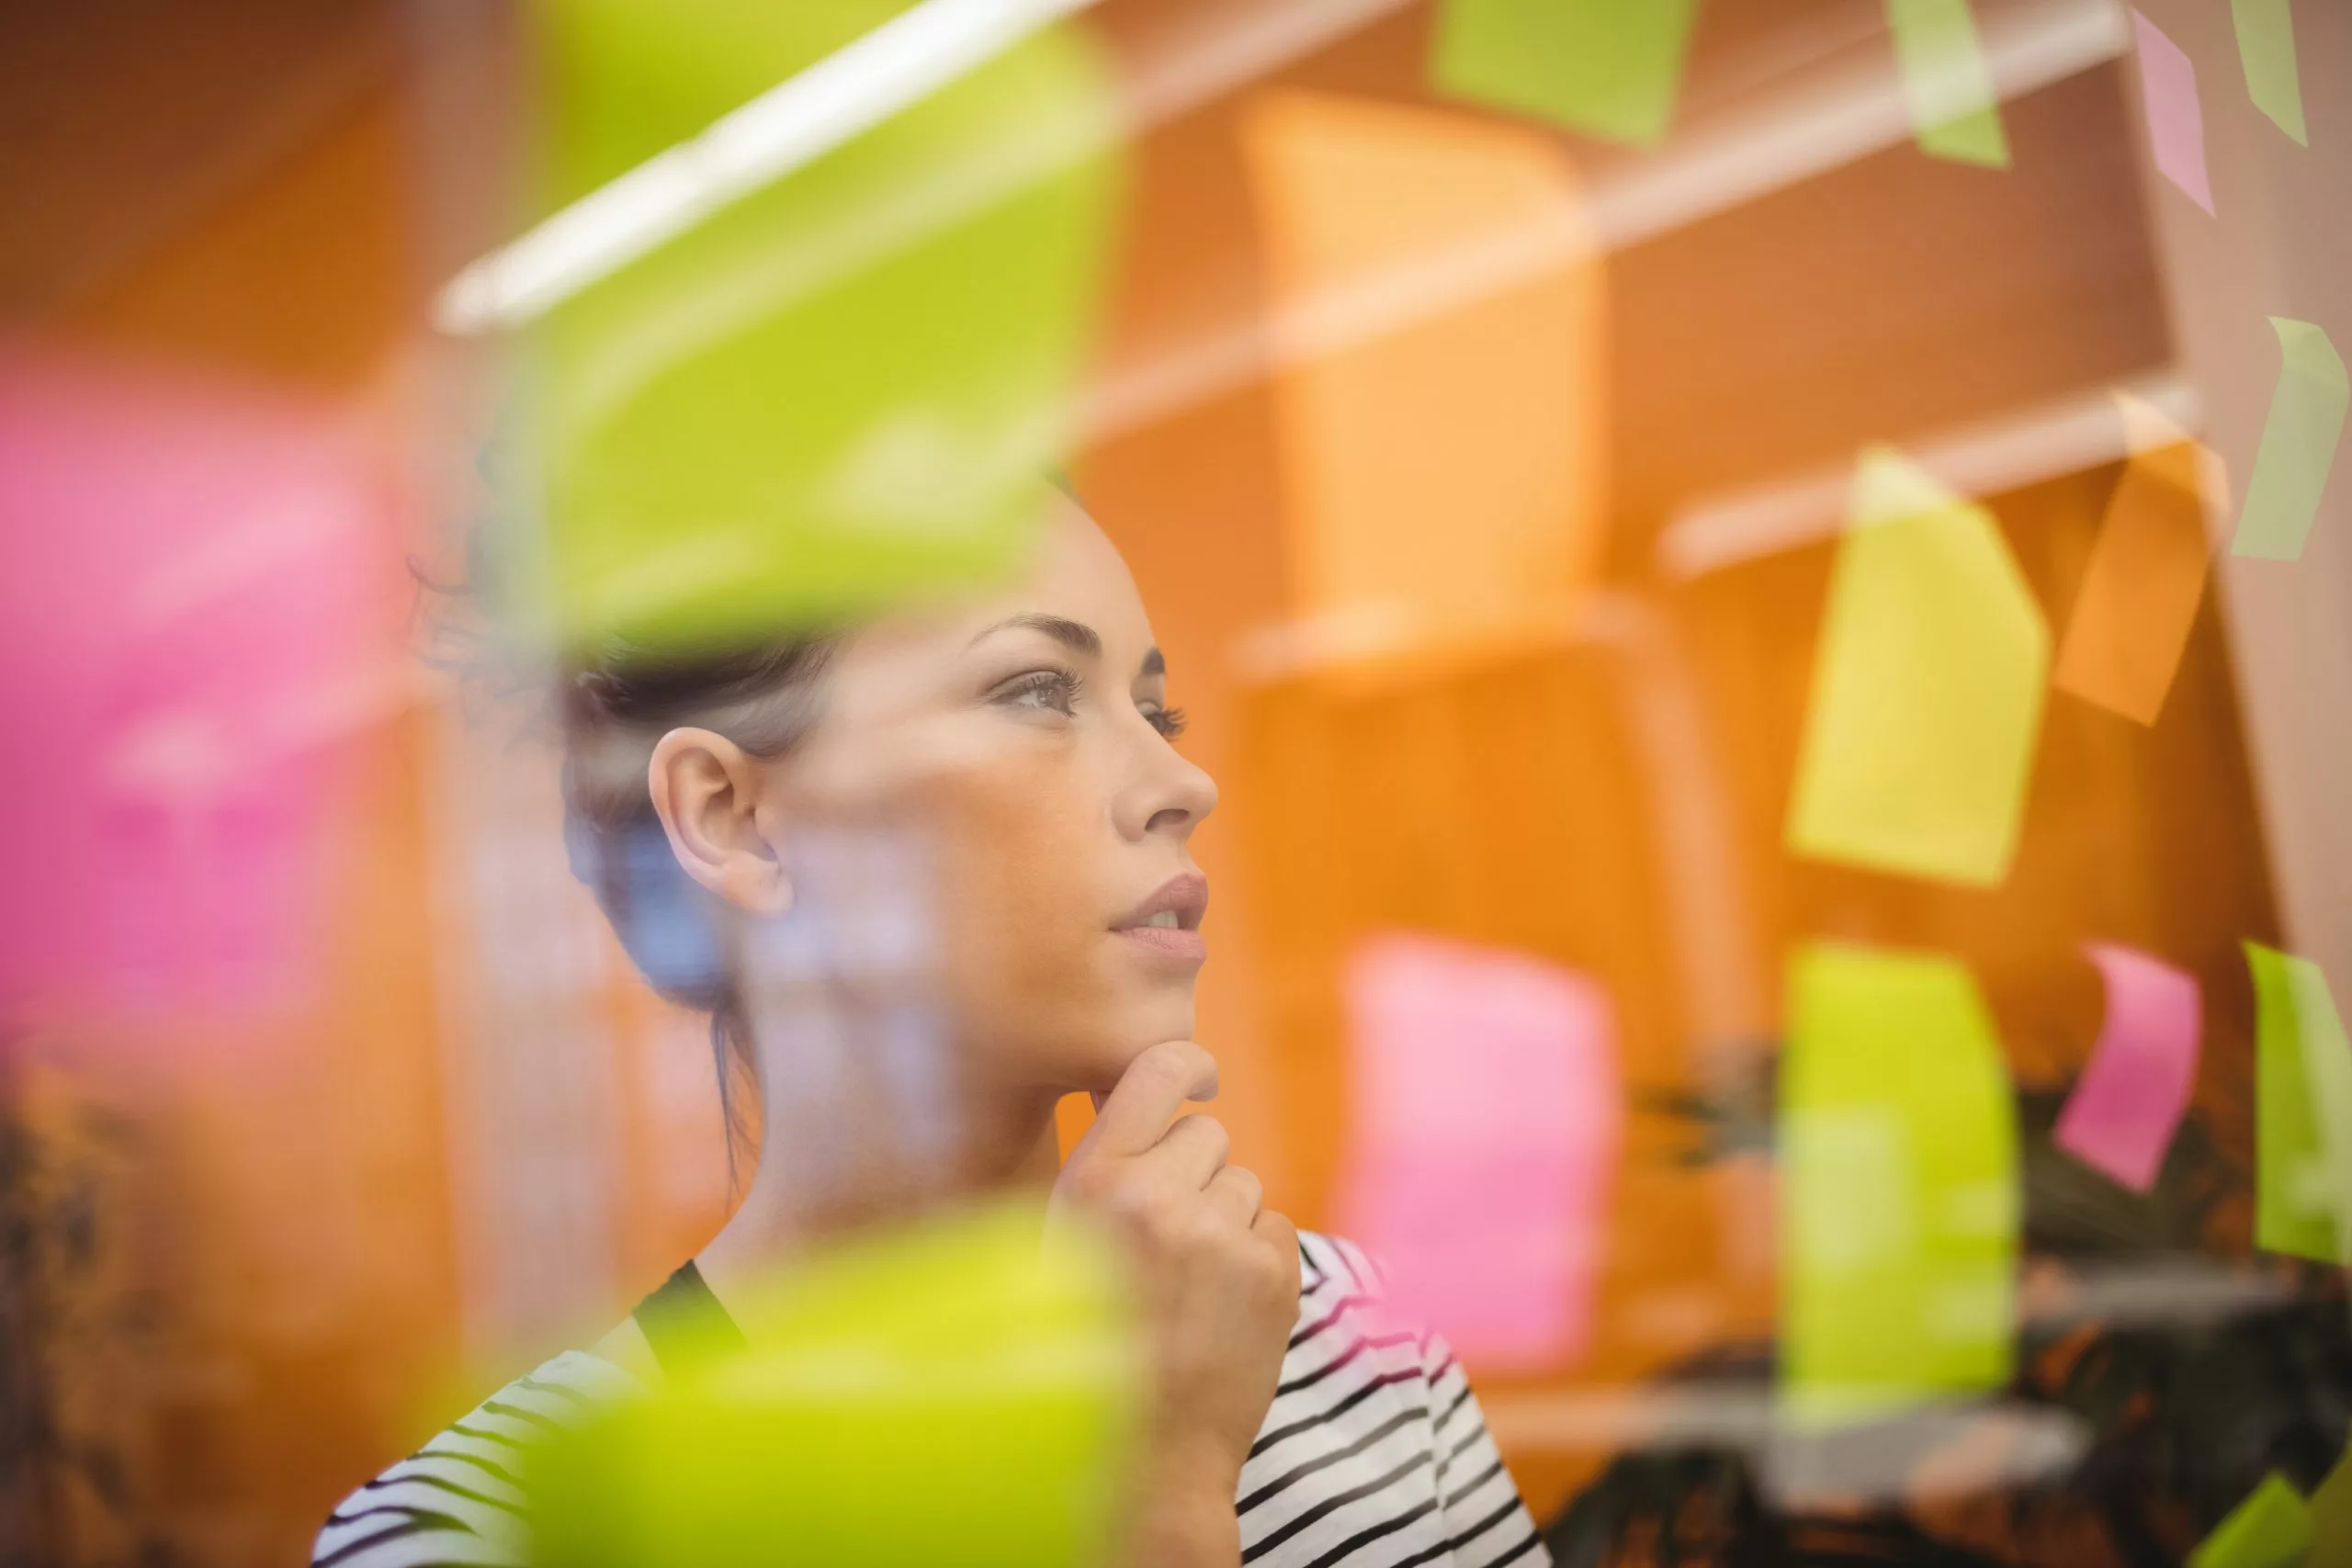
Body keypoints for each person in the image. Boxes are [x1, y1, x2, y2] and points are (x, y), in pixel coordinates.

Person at [314, 488, 1549, 1568]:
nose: (1186, 782)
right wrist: (1162, 1497)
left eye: (1155, 711)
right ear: (734, 817)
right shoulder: (480, 1534)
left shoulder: (1341, 1331)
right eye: (1037, 690)